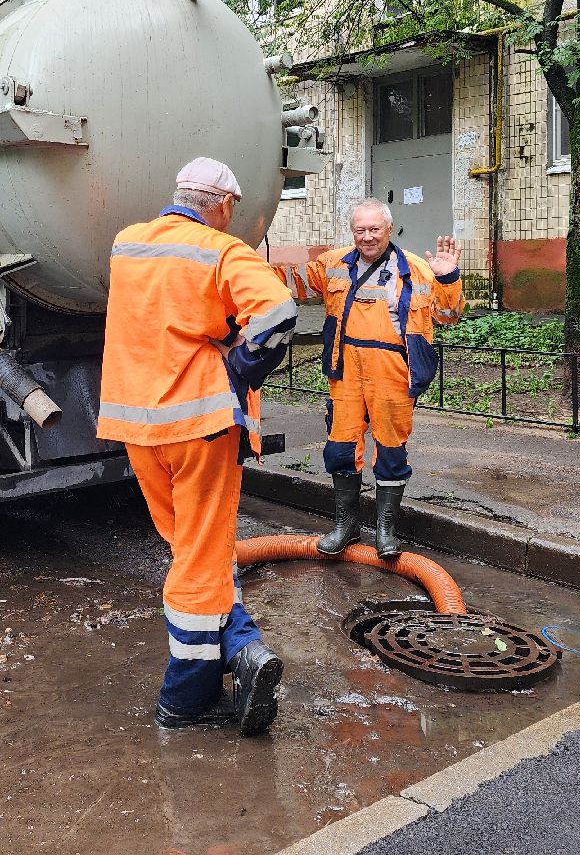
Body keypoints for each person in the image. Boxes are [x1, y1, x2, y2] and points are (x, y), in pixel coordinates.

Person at [97, 157, 298, 735]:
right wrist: (238, 366)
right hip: (201, 427)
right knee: (200, 560)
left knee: (189, 547)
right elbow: (278, 312)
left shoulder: (128, 244)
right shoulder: (222, 250)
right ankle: (187, 697)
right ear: (224, 204)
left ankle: (241, 646)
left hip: (137, 427)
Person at [277, 198, 462, 558]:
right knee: (341, 446)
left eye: (374, 229)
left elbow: (448, 315)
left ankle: (385, 530)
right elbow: (293, 280)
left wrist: (448, 276)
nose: (367, 237)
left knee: (391, 449)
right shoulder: (333, 264)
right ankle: (346, 526)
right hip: (346, 368)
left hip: (392, 370)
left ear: (389, 229)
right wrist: (243, 263)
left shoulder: (418, 269)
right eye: (360, 230)